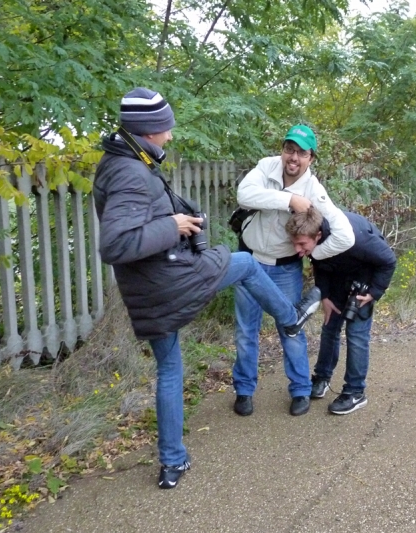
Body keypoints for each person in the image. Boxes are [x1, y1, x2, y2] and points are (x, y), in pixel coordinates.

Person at [93, 88, 321, 489]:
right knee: (247, 263)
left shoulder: (122, 161)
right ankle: (290, 318)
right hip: (169, 278)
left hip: (146, 289)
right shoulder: (130, 172)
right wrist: (174, 226)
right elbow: (115, 244)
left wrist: (173, 216)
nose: (170, 135)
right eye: (166, 127)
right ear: (148, 130)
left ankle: (172, 462)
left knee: (169, 368)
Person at [233, 125, 355, 417]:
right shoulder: (266, 168)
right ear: (282, 150)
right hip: (249, 261)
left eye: (302, 152)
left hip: (285, 270)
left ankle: (300, 389)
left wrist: (315, 253)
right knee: (245, 332)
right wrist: (289, 200)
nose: (294, 157)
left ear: (311, 158)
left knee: (291, 329)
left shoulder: (314, 190)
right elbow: (244, 194)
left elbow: (345, 235)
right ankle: (244, 390)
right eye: (290, 149)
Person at [285, 207, 396, 415]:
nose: (298, 250)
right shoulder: (315, 239)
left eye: (302, 244)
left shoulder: (355, 238)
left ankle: (355, 391)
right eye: (295, 244)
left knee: (356, 334)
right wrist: (325, 296)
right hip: (337, 276)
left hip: (364, 279)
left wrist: (374, 292)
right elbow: (320, 264)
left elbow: (388, 260)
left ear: (317, 235)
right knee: (329, 327)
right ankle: (322, 378)